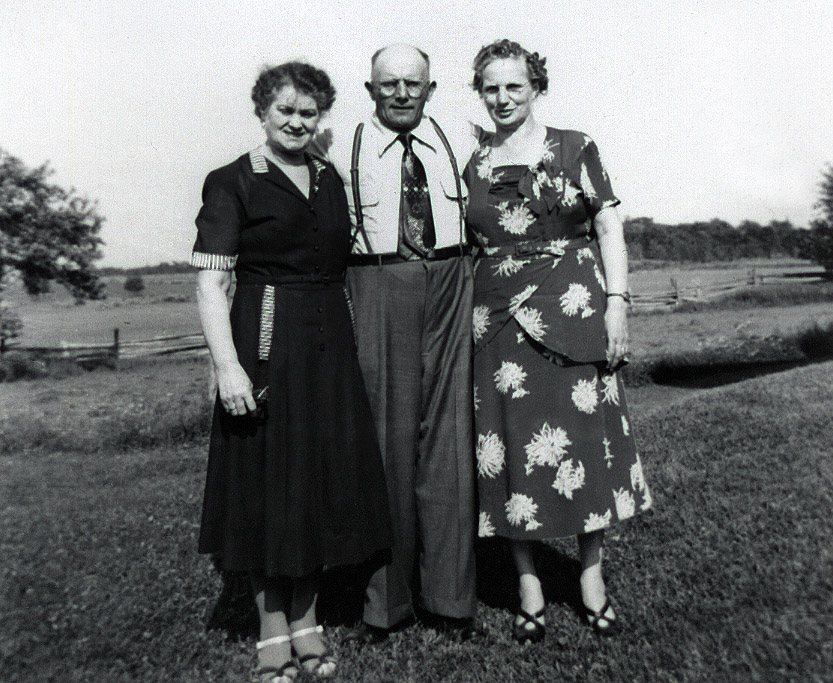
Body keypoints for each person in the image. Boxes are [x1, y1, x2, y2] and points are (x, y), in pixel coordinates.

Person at [192, 62, 392, 683]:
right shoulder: (233, 181)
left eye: (309, 112)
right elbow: (211, 280)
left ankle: (307, 618)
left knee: (315, 479)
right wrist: (227, 366)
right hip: (264, 337)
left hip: (328, 340)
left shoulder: (329, 178)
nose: (297, 122)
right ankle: (270, 625)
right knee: (264, 482)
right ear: (262, 110)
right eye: (285, 110)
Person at [463, 39, 652, 642]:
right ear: (480, 92)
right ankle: (529, 584)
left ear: (535, 87)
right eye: (491, 88)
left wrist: (617, 305)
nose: (502, 98)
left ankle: (591, 578)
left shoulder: (575, 147)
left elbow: (607, 225)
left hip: (574, 308)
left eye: (513, 86)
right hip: (496, 320)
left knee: (582, 439)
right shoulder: (474, 163)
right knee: (511, 443)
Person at [321, 44, 477, 643]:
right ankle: (385, 605)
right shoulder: (339, 147)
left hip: (451, 278)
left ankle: (452, 600)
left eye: (414, 83)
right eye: (390, 84)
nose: (403, 93)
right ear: (370, 89)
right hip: (379, 280)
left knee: (450, 442)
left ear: (432, 89)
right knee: (386, 437)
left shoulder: (457, 138)